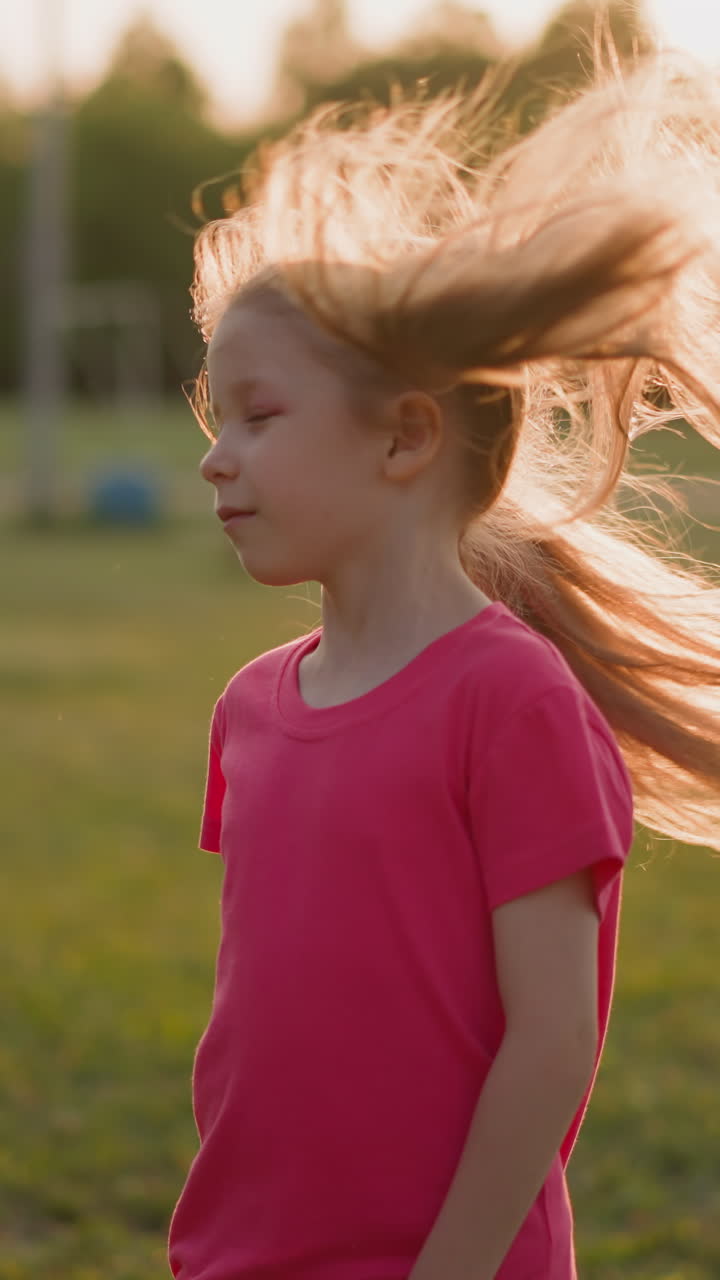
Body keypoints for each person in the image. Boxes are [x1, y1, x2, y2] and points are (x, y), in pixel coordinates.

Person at [168, 45, 720, 1280]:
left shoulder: (509, 699)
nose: (215, 457)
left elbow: (554, 1036)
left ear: (407, 436)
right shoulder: (249, 707)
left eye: (257, 415)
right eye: (214, 420)